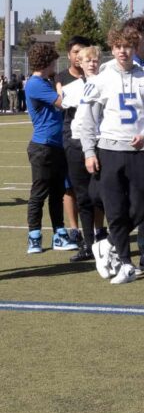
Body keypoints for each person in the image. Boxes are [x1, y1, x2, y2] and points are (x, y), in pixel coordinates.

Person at [79, 27, 144, 284]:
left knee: (141, 205)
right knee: (115, 209)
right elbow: (88, 121)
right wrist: (89, 152)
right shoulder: (101, 79)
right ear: (112, 49)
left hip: (139, 152)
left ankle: (108, 245)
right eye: (118, 47)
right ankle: (126, 263)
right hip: (110, 150)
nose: (123, 51)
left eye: (128, 46)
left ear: (135, 48)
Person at [62, 45, 111, 268]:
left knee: (100, 194)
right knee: (82, 196)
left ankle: (102, 236)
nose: (91, 63)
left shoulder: (107, 82)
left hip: (101, 143)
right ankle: (89, 244)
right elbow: (68, 114)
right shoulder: (72, 88)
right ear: (78, 63)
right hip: (76, 144)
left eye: (94, 60)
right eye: (87, 60)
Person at [25, 43, 73, 254]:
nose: (56, 64)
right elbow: (62, 102)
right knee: (39, 193)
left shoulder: (44, 81)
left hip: (57, 145)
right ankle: (34, 236)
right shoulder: (35, 84)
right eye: (54, 60)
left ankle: (59, 233)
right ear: (47, 62)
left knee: (57, 192)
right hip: (43, 146)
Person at [56, 35, 92, 249]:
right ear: (69, 55)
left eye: (83, 51)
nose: (79, 56)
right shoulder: (61, 77)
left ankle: (98, 230)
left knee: (93, 188)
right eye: (75, 52)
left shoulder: (96, 75)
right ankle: (73, 229)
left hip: (90, 140)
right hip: (69, 138)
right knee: (70, 188)